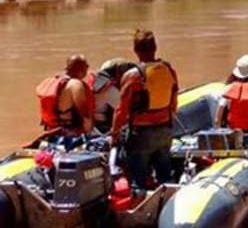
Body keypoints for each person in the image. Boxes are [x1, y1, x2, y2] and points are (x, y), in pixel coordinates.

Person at [109, 30, 179, 197]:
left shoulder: (133, 75)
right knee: (165, 175)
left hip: (141, 133)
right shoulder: (168, 69)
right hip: (165, 129)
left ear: (135, 50)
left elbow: (121, 109)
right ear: (155, 47)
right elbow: (174, 101)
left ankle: (139, 213)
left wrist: (114, 134)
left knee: (137, 178)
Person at [36, 54, 93, 137]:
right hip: (69, 132)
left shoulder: (55, 81)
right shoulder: (76, 84)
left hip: (52, 130)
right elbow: (85, 115)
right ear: (82, 69)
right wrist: (90, 133)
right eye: (86, 66)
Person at [91, 58, 138, 134]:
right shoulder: (109, 89)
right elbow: (124, 112)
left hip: (93, 123)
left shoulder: (96, 80)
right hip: (101, 127)